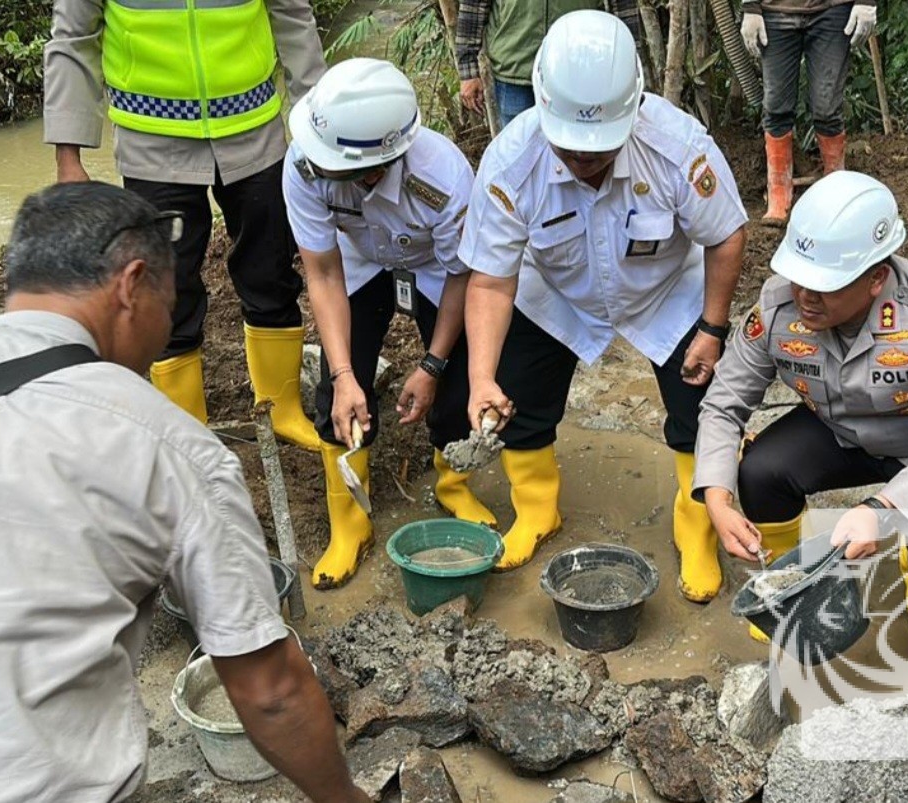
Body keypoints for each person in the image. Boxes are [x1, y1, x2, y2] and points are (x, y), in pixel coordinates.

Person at [0, 182, 368, 803]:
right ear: (131, 284)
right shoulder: (169, 447)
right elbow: (271, 691)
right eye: (170, 304)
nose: (165, 330)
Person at [459, 10, 748, 594]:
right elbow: (489, 282)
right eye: (569, 148)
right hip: (556, 292)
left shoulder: (678, 147)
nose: (583, 161)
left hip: (666, 291)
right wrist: (481, 377)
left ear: (633, 109)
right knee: (519, 395)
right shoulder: (511, 164)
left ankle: (695, 525)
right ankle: (537, 509)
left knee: (701, 408)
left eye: (598, 149)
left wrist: (713, 329)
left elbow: (726, 235)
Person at [694, 171, 908, 637]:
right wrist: (716, 498)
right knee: (760, 470)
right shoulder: (777, 306)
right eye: (799, 278)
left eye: (826, 284)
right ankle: (786, 587)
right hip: (838, 432)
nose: (805, 296)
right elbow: (724, 403)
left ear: (877, 278)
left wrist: (880, 510)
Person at [43, 0, 326, 449]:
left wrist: (319, 125)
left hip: (254, 130)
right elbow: (74, 39)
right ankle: (185, 429)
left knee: (270, 270)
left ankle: (283, 408)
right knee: (163, 287)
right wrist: (68, 155)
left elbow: (292, 16)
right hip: (151, 142)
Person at [282, 58, 495, 589]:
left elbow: (460, 277)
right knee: (337, 386)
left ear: (376, 168)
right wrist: (343, 376)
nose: (316, 166)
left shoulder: (443, 177)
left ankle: (453, 482)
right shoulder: (305, 162)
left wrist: (431, 365)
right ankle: (350, 520)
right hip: (359, 261)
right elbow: (323, 273)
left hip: (434, 268)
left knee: (460, 373)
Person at [740, 0, 878, 223]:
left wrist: (866, 2)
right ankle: (779, 190)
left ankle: (836, 185)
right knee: (776, 108)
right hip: (775, 12)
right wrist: (750, 7)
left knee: (827, 109)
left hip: (833, 11)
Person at [456, 0, 643, 128]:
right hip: (514, 66)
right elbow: (473, 5)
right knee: (520, 154)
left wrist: (630, 65)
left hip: (580, 64)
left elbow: (624, 6)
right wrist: (468, 70)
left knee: (578, 152)